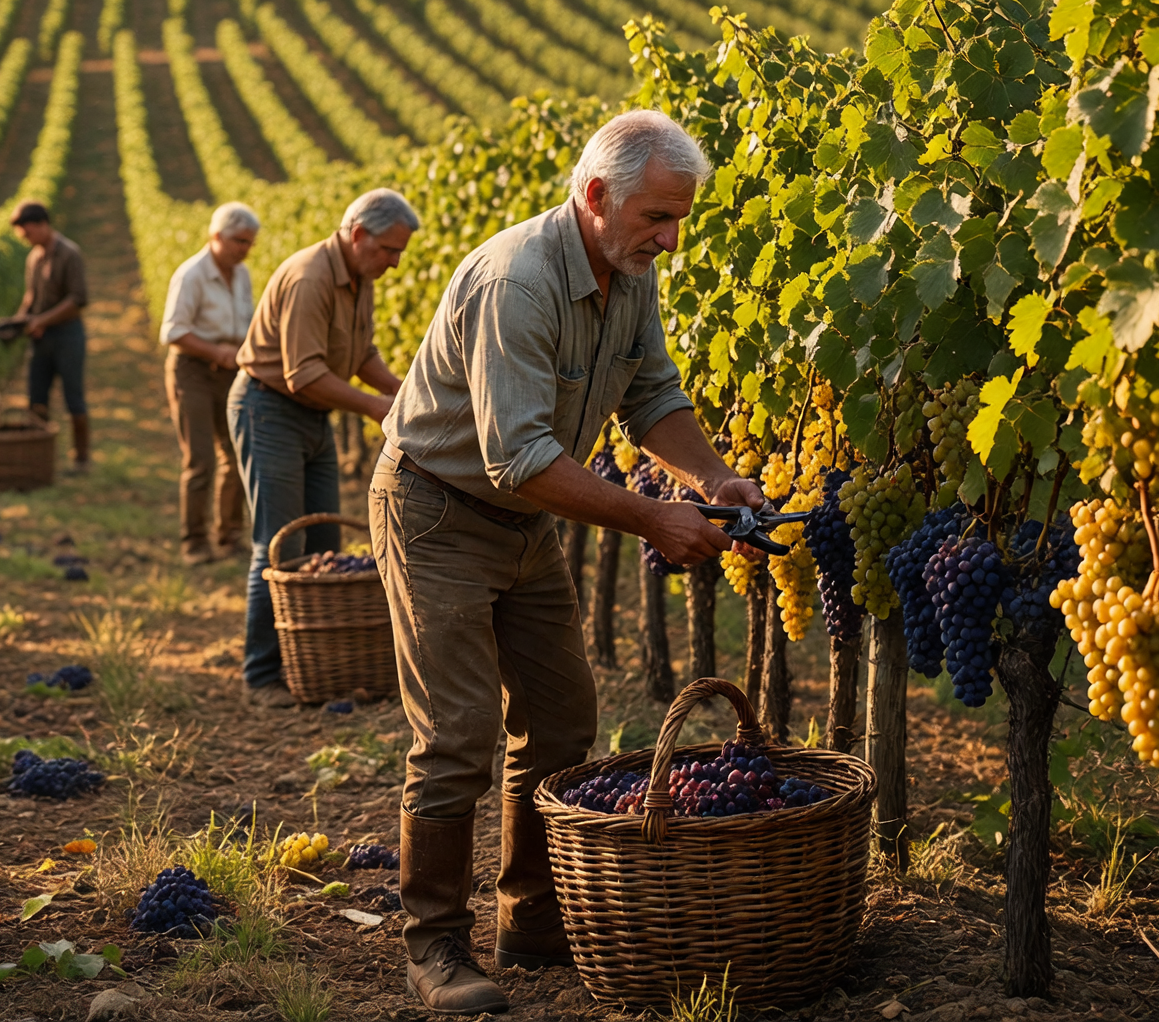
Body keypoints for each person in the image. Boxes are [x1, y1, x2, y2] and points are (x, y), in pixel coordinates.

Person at [371, 109, 762, 1013]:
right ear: (595, 196)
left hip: (522, 522)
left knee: (559, 722)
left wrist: (711, 475)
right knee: (457, 735)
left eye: (678, 221)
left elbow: (652, 394)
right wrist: (652, 519)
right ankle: (431, 945)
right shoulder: (519, 282)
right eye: (656, 218)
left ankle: (532, 919)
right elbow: (516, 456)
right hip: (437, 511)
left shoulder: (627, 272)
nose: (669, 240)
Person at [232, 188, 417, 708]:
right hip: (268, 409)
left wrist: (404, 391)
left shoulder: (361, 276)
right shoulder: (311, 276)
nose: (395, 262)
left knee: (325, 542)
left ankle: (315, 667)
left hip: (312, 413)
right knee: (279, 543)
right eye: (388, 250)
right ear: (358, 235)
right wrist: (375, 407)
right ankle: (263, 674)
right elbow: (302, 373)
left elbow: (361, 354)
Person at [159, 201, 258, 564]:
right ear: (215, 236)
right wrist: (217, 353)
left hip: (232, 372)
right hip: (194, 371)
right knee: (200, 458)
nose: (244, 249)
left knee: (236, 456)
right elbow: (173, 331)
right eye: (238, 241)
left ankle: (230, 537)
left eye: (249, 243)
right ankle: (194, 542)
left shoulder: (242, 274)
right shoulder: (192, 275)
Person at [7, 199, 92, 467]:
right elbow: (31, 296)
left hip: (68, 336)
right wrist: (18, 322)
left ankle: (81, 458)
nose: (25, 238)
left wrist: (41, 320)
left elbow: (78, 299)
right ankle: (39, 458)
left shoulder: (69, 254)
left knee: (73, 398)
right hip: (41, 338)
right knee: (37, 398)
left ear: (43, 225)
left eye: (28, 232)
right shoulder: (34, 257)